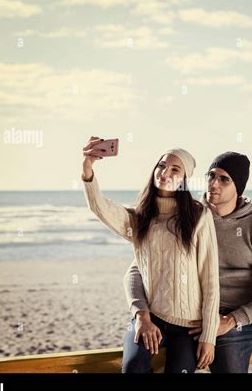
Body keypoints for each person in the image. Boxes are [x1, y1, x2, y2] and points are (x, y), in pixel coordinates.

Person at [125, 151, 252, 373]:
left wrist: (235, 319)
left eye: (224, 179)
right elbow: (139, 268)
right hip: (216, 321)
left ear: (239, 187)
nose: (214, 183)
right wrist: (142, 313)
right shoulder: (189, 217)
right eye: (211, 175)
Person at [81, 137, 220, 373]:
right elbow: (100, 207)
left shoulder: (199, 215)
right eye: (161, 165)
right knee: (133, 366)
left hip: (188, 327)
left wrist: (209, 337)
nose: (165, 172)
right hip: (150, 319)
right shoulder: (140, 217)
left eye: (175, 169)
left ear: (184, 179)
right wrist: (87, 168)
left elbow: (210, 280)